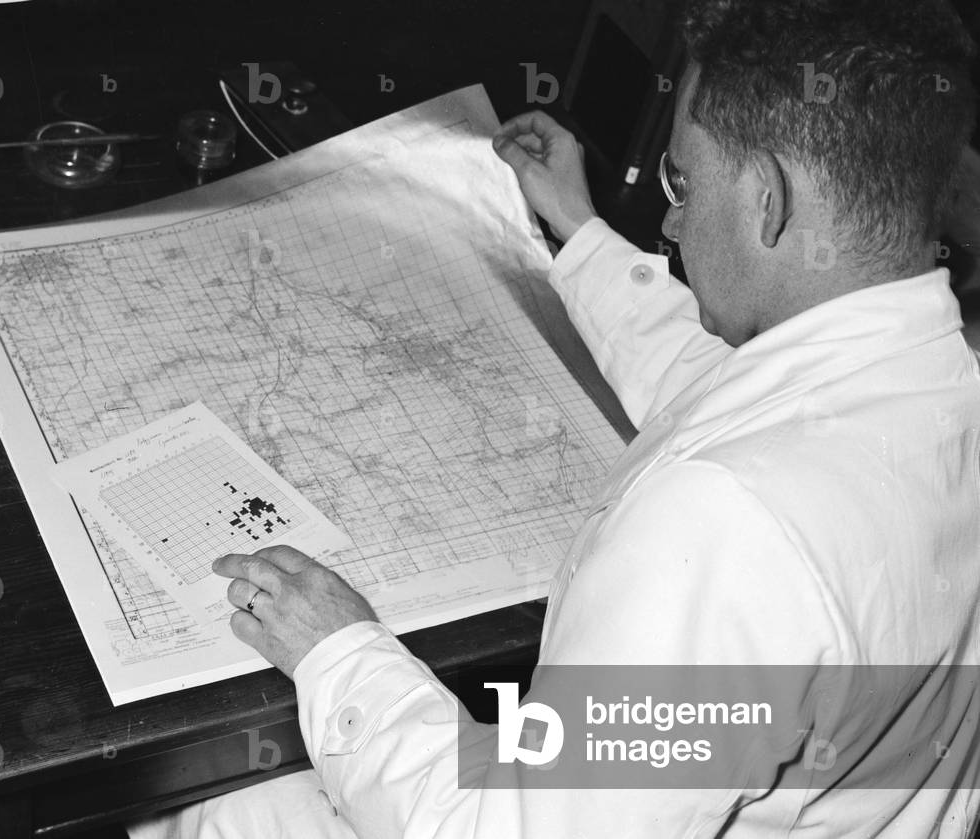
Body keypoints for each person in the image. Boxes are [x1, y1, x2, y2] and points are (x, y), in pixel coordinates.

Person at [127, 0, 980, 835]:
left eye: (685, 180)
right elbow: (711, 385)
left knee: (200, 805)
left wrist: (337, 646)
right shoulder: (936, 378)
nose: (673, 222)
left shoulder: (731, 529)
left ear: (768, 202)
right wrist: (578, 230)